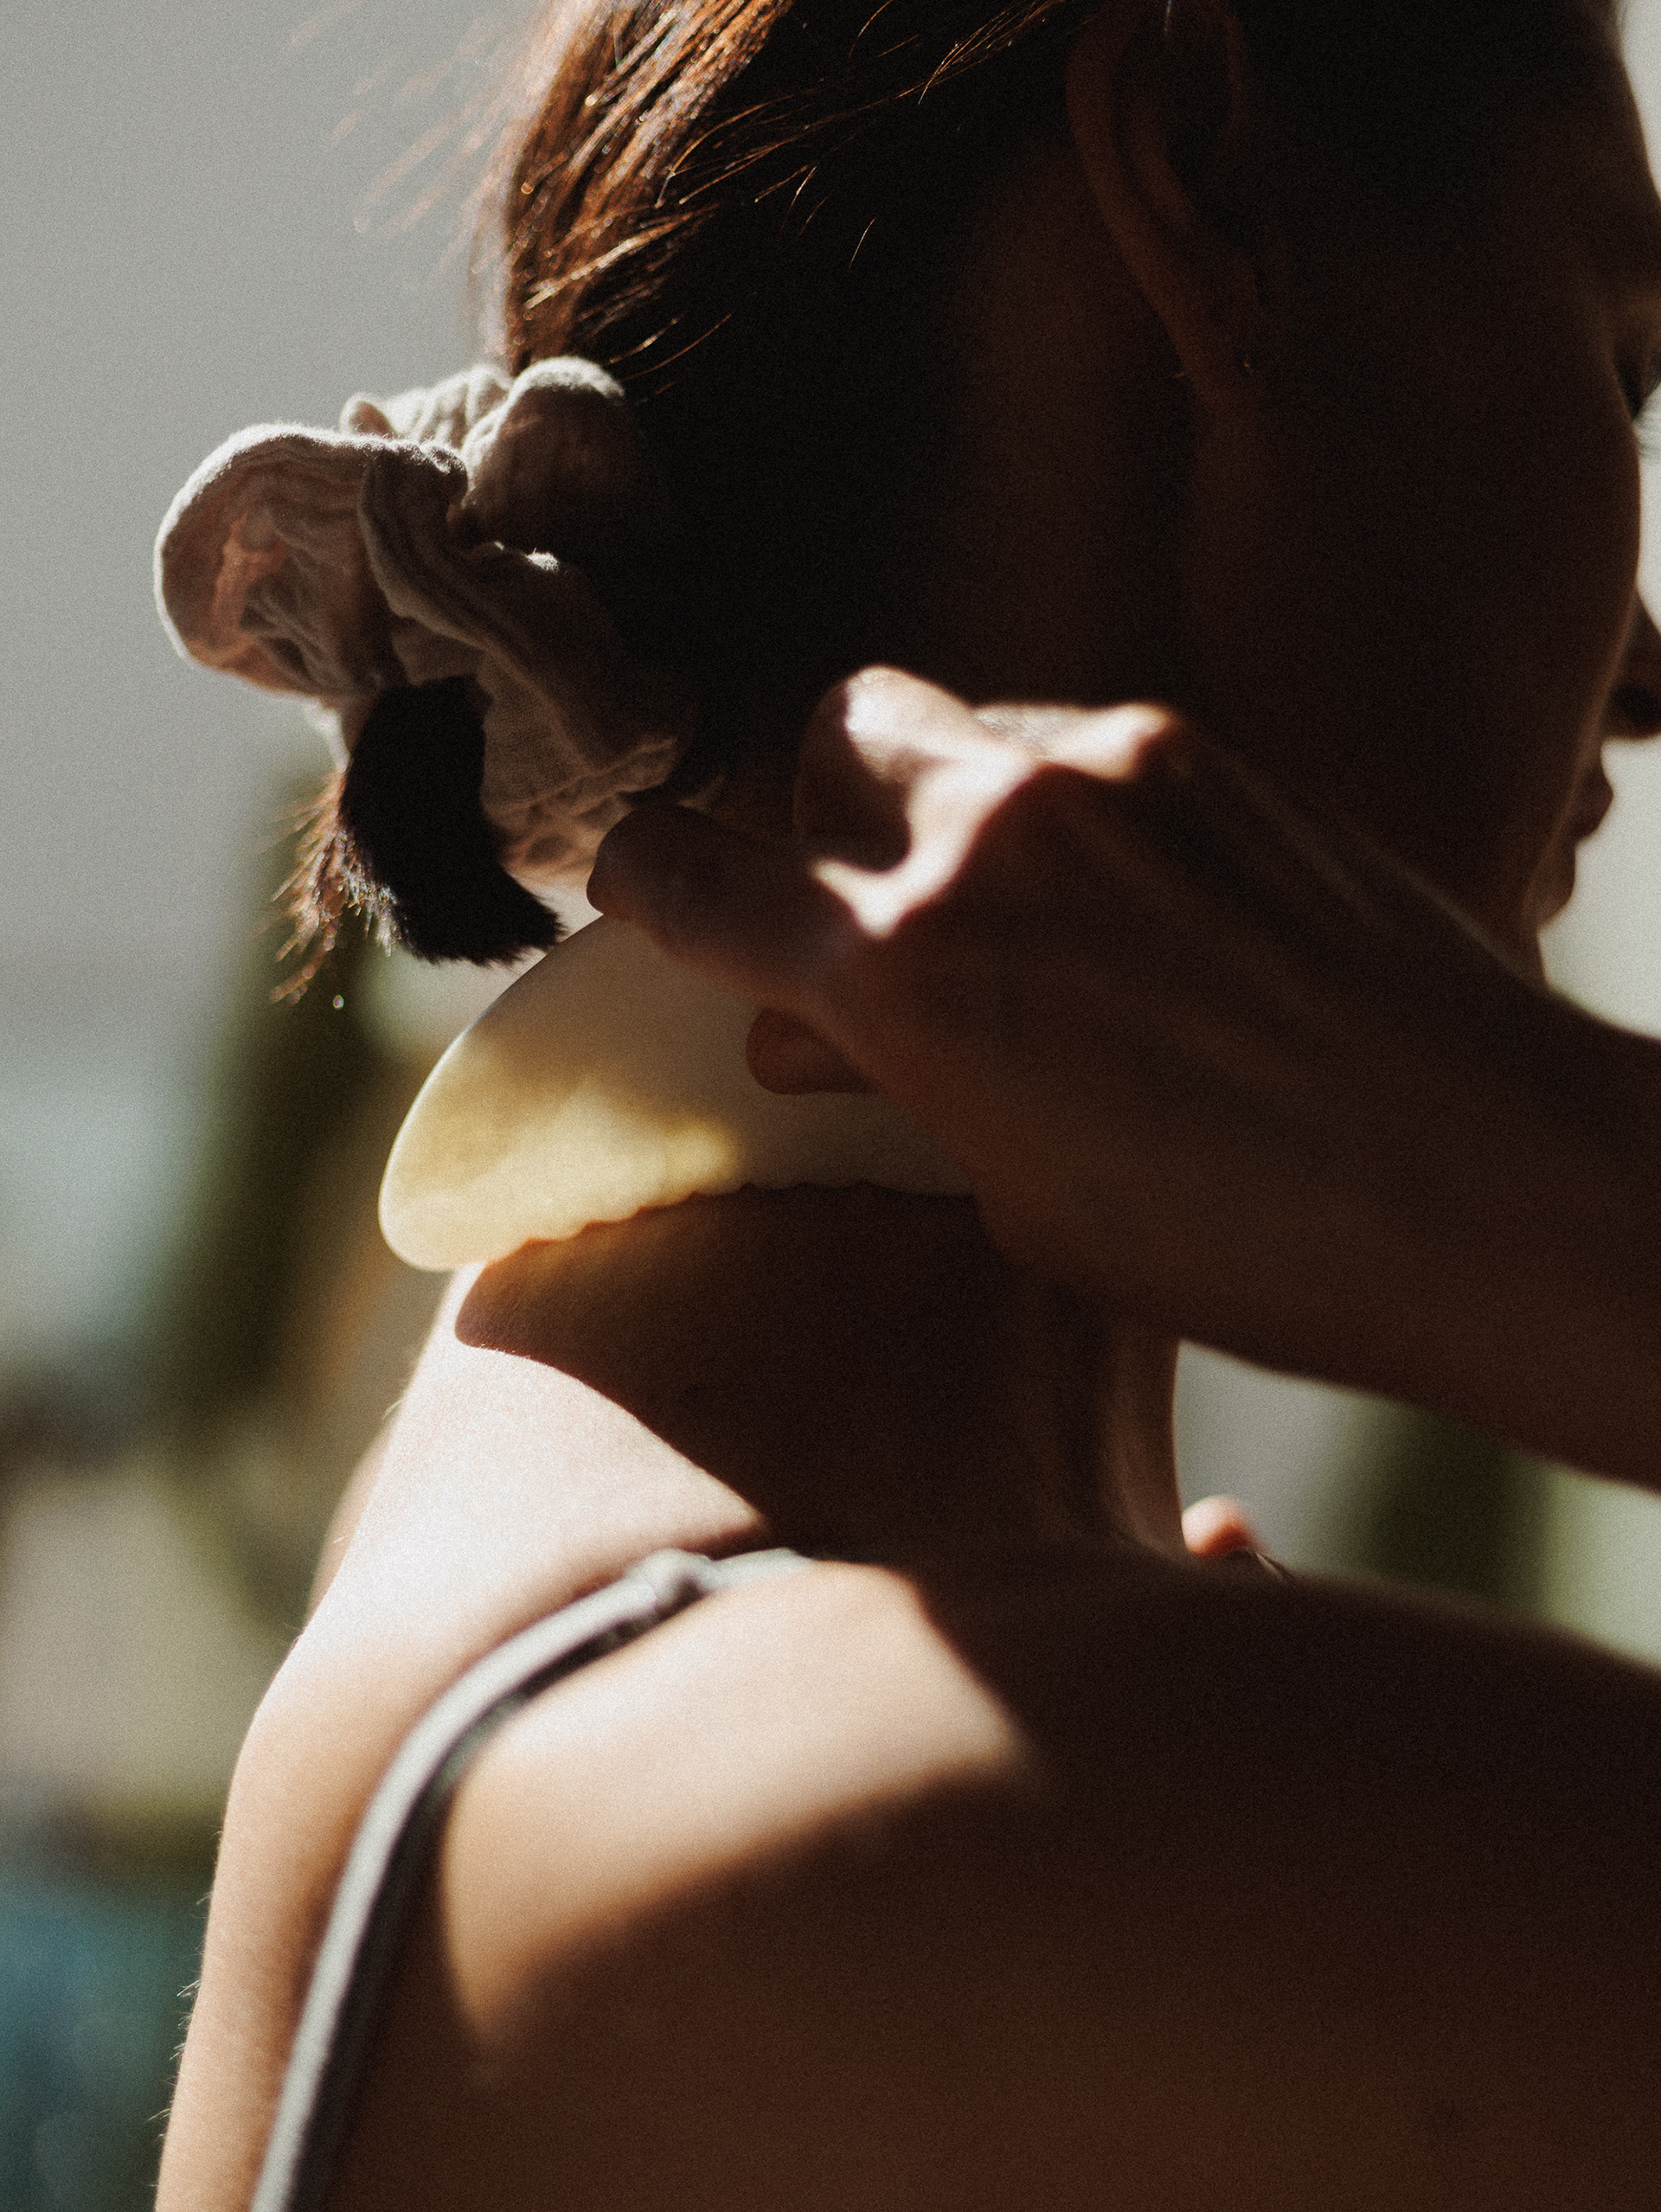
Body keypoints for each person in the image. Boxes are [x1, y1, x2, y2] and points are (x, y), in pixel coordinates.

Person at [154, 0, 1661, 2205]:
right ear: (1198, 183)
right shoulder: (877, 1800)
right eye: (1625, 365)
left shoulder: (630, 1593)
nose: (1649, 662)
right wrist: (1570, 1204)